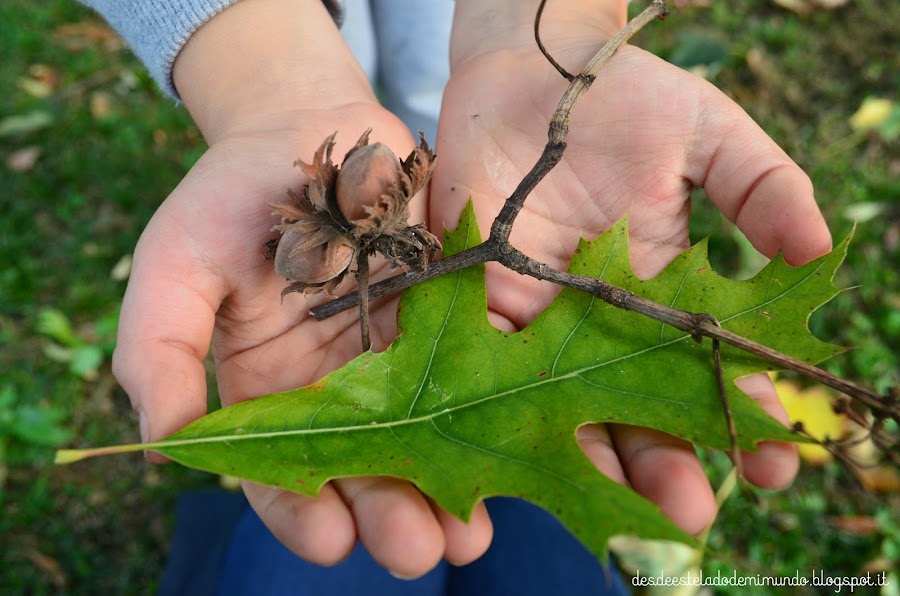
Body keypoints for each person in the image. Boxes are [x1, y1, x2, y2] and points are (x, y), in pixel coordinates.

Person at [81, 0, 832, 592]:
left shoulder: (366, 226)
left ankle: (420, 101)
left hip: (479, 76)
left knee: (428, 67)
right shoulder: (337, 235)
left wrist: (545, 27)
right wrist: (268, 80)